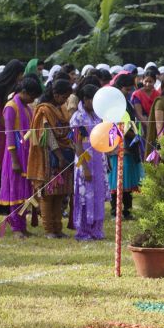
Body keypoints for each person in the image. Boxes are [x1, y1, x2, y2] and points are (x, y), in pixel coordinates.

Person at [27, 79, 74, 239]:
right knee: (48, 194)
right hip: (48, 157)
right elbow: (48, 136)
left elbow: (65, 130)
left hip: (64, 154)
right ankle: (49, 230)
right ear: (55, 94)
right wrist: (59, 155)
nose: (66, 100)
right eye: (64, 96)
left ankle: (58, 227)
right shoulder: (44, 110)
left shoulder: (60, 108)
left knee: (60, 193)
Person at [0, 77, 42, 238]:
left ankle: (22, 225)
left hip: (27, 153)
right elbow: (10, 135)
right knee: (15, 191)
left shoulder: (28, 108)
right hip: (14, 155)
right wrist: (15, 160)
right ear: (23, 92)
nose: (32, 100)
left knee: (25, 192)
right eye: (31, 96)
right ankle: (16, 227)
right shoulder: (11, 107)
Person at [70, 84, 108, 240]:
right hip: (84, 160)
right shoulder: (77, 117)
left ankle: (96, 229)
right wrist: (85, 167)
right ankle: (84, 230)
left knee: (98, 194)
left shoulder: (98, 115)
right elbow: (76, 144)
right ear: (85, 100)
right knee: (85, 195)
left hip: (99, 160)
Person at [108, 73, 143, 220]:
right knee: (118, 179)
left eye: (130, 89)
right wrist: (132, 135)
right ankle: (115, 211)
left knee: (128, 180)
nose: (129, 92)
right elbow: (117, 125)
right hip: (119, 145)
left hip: (131, 144)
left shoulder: (127, 102)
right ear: (119, 88)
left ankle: (127, 211)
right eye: (127, 89)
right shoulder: (114, 104)